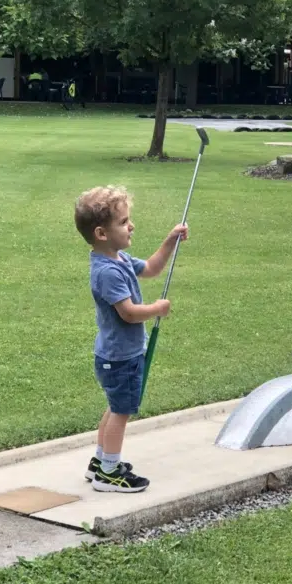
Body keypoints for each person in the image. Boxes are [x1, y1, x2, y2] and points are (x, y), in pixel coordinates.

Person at [74, 186, 188, 493]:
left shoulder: (119, 258)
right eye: (124, 222)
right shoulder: (107, 272)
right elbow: (127, 313)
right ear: (101, 233)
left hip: (118, 354)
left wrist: (170, 242)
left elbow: (150, 269)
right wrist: (156, 309)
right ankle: (109, 472)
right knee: (121, 411)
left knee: (114, 407)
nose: (131, 225)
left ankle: (100, 461)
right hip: (119, 357)